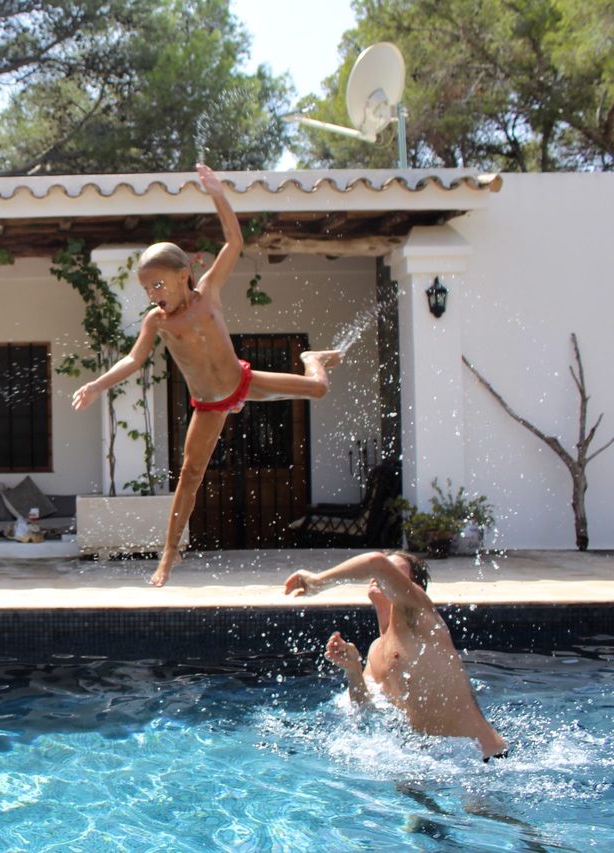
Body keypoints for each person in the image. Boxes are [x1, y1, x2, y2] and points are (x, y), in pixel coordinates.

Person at [71, 163, 342, 586]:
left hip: (243, 382)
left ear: (184, 276)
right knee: (190, 475)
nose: (154, 295)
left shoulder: (210, 292)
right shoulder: (156, 323)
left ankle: (312, 358)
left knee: (319, 390)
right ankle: (168, 556)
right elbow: (133, 361)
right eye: (147, 290)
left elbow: (234, 240)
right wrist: (96, 384)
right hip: (210, 403)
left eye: (159, 286)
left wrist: (218, 193)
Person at [284, 550, 509, 762]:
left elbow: (376, 562)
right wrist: (353, 669)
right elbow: (367, 710)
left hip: (484, 758)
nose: (380, 573)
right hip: (434, 759)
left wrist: (317, 582)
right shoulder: (376, 648)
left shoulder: (418, 612)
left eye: (394, 569)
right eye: (386, 567)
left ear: (412, 586)